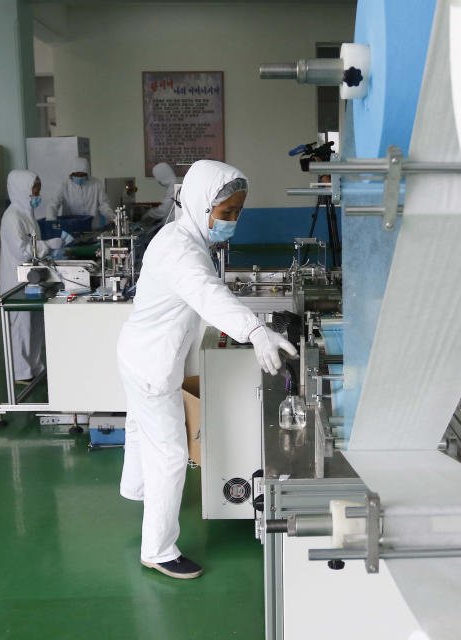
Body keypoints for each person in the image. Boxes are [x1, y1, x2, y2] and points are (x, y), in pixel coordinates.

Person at [116, 160, 297, 580]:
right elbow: (207, 294)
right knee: (171, 455)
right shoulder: (181, 250)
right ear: (201, 205)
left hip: (136, 352)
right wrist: (254, 330)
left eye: (237, 212)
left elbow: (204, 292)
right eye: (227, 213)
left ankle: (138, 491)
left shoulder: (185, 237)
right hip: (152, 365)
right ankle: (158, 549)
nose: (232, 221)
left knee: (140, 430)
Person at [0, 169, 63, 383]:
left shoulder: (27, 215)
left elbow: (32, 247)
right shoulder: (12, 217)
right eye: (34, 191)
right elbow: (22, 250)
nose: (37, 195)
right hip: (16, 282)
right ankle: (20, 372)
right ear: (21, 190)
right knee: (21, 328)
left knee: (34, 327)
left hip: (32, 280)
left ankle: (34, 367)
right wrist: (48, 246)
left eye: (38, 190)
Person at [49, 157, 114, 227]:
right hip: (70, 227)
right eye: (76, 174)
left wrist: (112, 217)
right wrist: (51, 222)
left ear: (87, 173)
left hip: (91, 226)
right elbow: (53, 204)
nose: (79, 177)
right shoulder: (64, 185)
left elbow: (104, 204)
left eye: (82, 175)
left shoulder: (96, 184)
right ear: (71, 173)